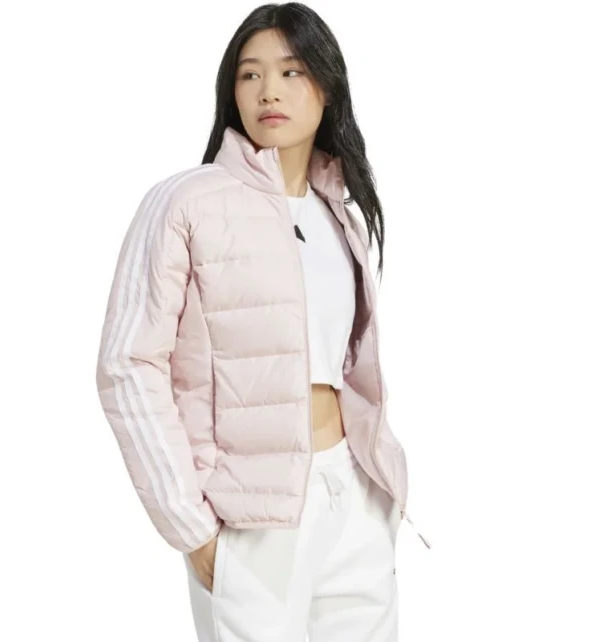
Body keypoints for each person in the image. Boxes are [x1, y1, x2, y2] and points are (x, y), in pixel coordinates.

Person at [95, 3, 430, 640]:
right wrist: (189, 525)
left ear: (327, 89)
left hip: (352, 497)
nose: (268, 90)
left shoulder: (341, 214)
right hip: (248, 514)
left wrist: (378, 495)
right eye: (250, 74)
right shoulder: (186, 201)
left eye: (291, 71)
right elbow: (127, 365)